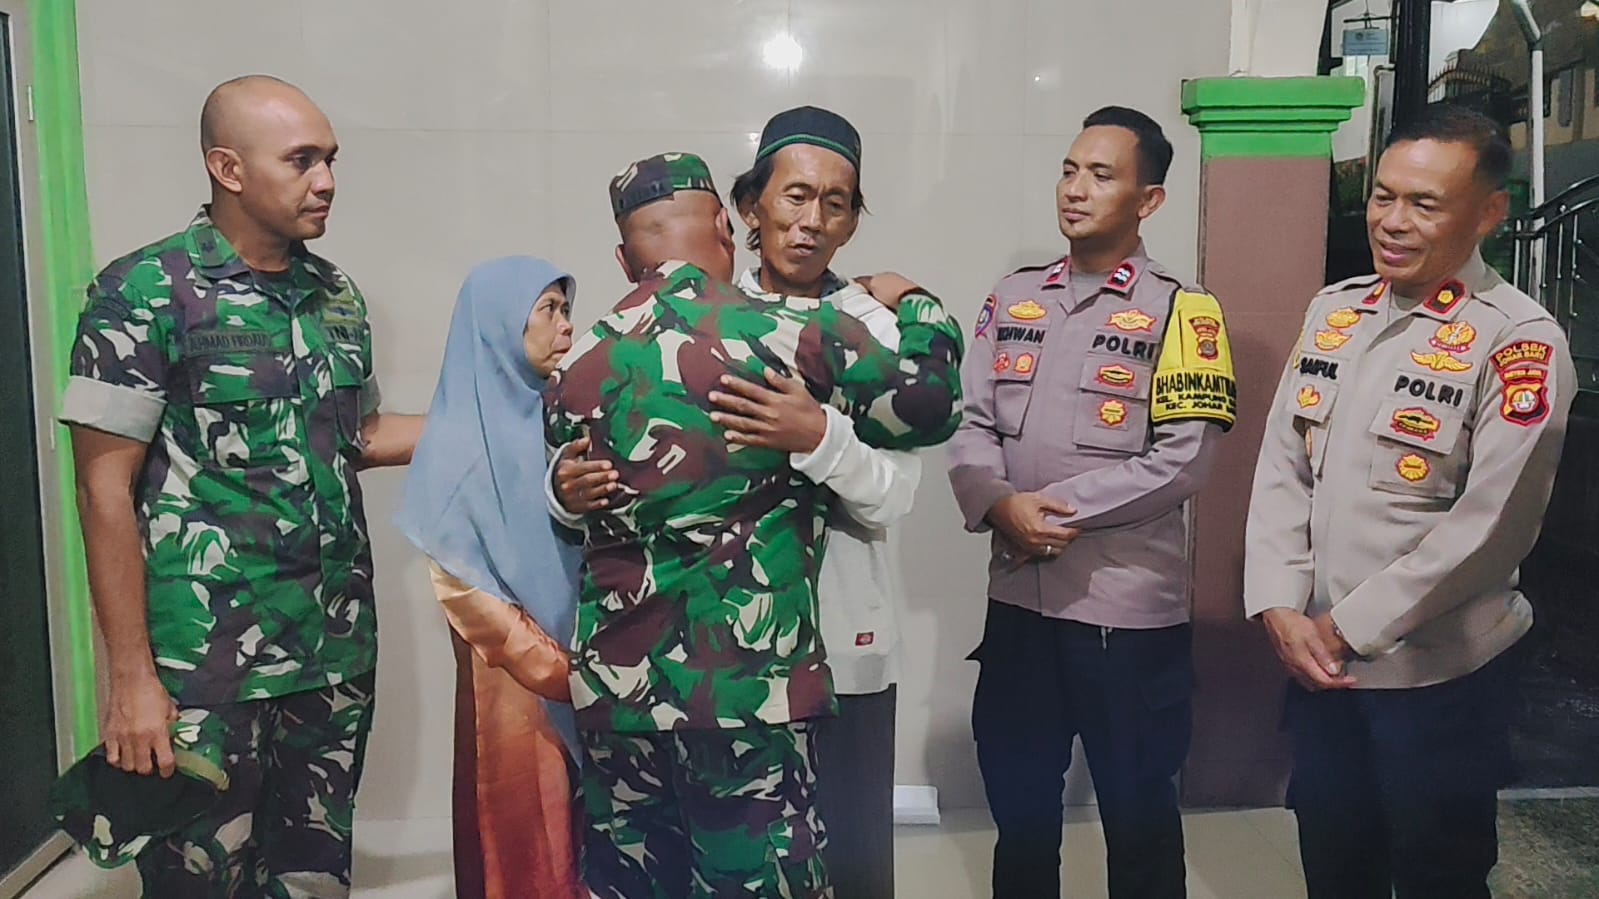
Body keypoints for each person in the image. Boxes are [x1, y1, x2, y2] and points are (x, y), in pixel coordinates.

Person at [543, 152, 964, 898]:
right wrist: (921, 306)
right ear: (724, 225)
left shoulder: (575, 365)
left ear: (624, 257)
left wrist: (561, 494)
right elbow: (930, 405)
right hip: (743, 696)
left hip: (617, 696)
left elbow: (575, 486)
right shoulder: (790, 336)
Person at [59, 74, 422, 896]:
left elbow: (358, 436)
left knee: (313, 877)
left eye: (330, 159)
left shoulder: (334, 297)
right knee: (199, 879)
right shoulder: (142, 292)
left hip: (330, 653)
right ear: (227, 167)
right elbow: (102, 491)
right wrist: (129, 678)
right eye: (301, 160)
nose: (325, 180)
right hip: (204, 668)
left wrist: (519, 417)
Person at [1244, 104, 1573, 899]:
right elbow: (1284, 465)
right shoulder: (1335, 311)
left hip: (1439, 682)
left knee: (1438, 875)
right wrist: (1277, 601)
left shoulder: (1518, 340)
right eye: (1382, 196)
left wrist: (1344, 627)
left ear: (1487, 213)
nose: (1391, 221)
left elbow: (1491, 527)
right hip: (1321, 672)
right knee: (1333, 865)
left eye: (1423, 204)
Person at [946, 106, 1235, 899]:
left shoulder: (1183, 311)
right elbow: (969, 422)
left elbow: (1183, 458)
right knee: (1020, 817)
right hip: (1019, 608)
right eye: (1069, 170)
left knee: (1139, 824)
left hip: (1123, 617)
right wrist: (997, 502)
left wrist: (1047, 508)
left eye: (1101, 175)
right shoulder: (1013, 297)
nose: (1074, 189)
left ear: (1149, 200)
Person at [395, 257, 585, 899]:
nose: (565, 325)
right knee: (525, 826)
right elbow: (461, 584)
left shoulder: (558, 419)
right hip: (512, 678)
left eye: (566, 309)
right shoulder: (455, 441)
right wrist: (554, 669)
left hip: (584, 665)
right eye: (548, 310)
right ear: (499, 324)